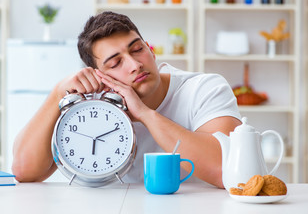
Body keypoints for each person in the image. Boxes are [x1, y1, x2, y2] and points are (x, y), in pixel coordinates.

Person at [12, 11, 241, 188]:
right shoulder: (92, 106)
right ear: (99, 76)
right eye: (115, 63)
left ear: (151, 50)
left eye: (137, 49)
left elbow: (226, 168)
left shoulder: (205, 88)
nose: (135, 65)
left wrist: (144, 114)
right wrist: (56, 93)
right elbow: (24, 170)